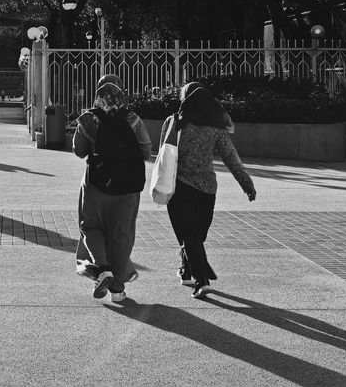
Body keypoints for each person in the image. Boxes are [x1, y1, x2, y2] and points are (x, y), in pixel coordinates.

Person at [164, 82, 257, 298]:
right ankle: (196, 277)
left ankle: (195, 276)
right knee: (194, 236)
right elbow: (230, 157)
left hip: (180, 188)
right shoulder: (216, 127)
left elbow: (164, 154)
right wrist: (246, 184)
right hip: (207, 191)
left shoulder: (174, 122)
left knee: (192, 237)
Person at [72, 79, 151, 302]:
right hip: (128, 187)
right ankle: (118, 289)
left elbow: (79, 151)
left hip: (97, 184)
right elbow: (146, 150)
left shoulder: (88, 118)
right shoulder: (133, 118)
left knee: (91, 226)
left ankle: (103, 268)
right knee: (121, 234)